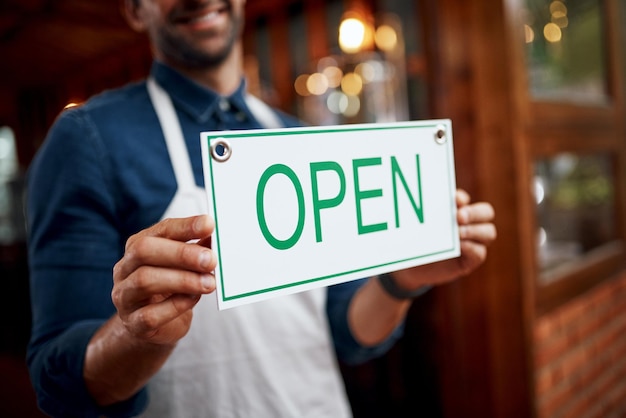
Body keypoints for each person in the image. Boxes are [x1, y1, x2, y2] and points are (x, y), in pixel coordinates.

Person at [25, 0, 497, 417]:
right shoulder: (86, 139)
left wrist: (403, 277)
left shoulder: (301, 139)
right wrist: (133, 336)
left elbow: (347, 330)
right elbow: (58, 383)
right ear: (134, 8)